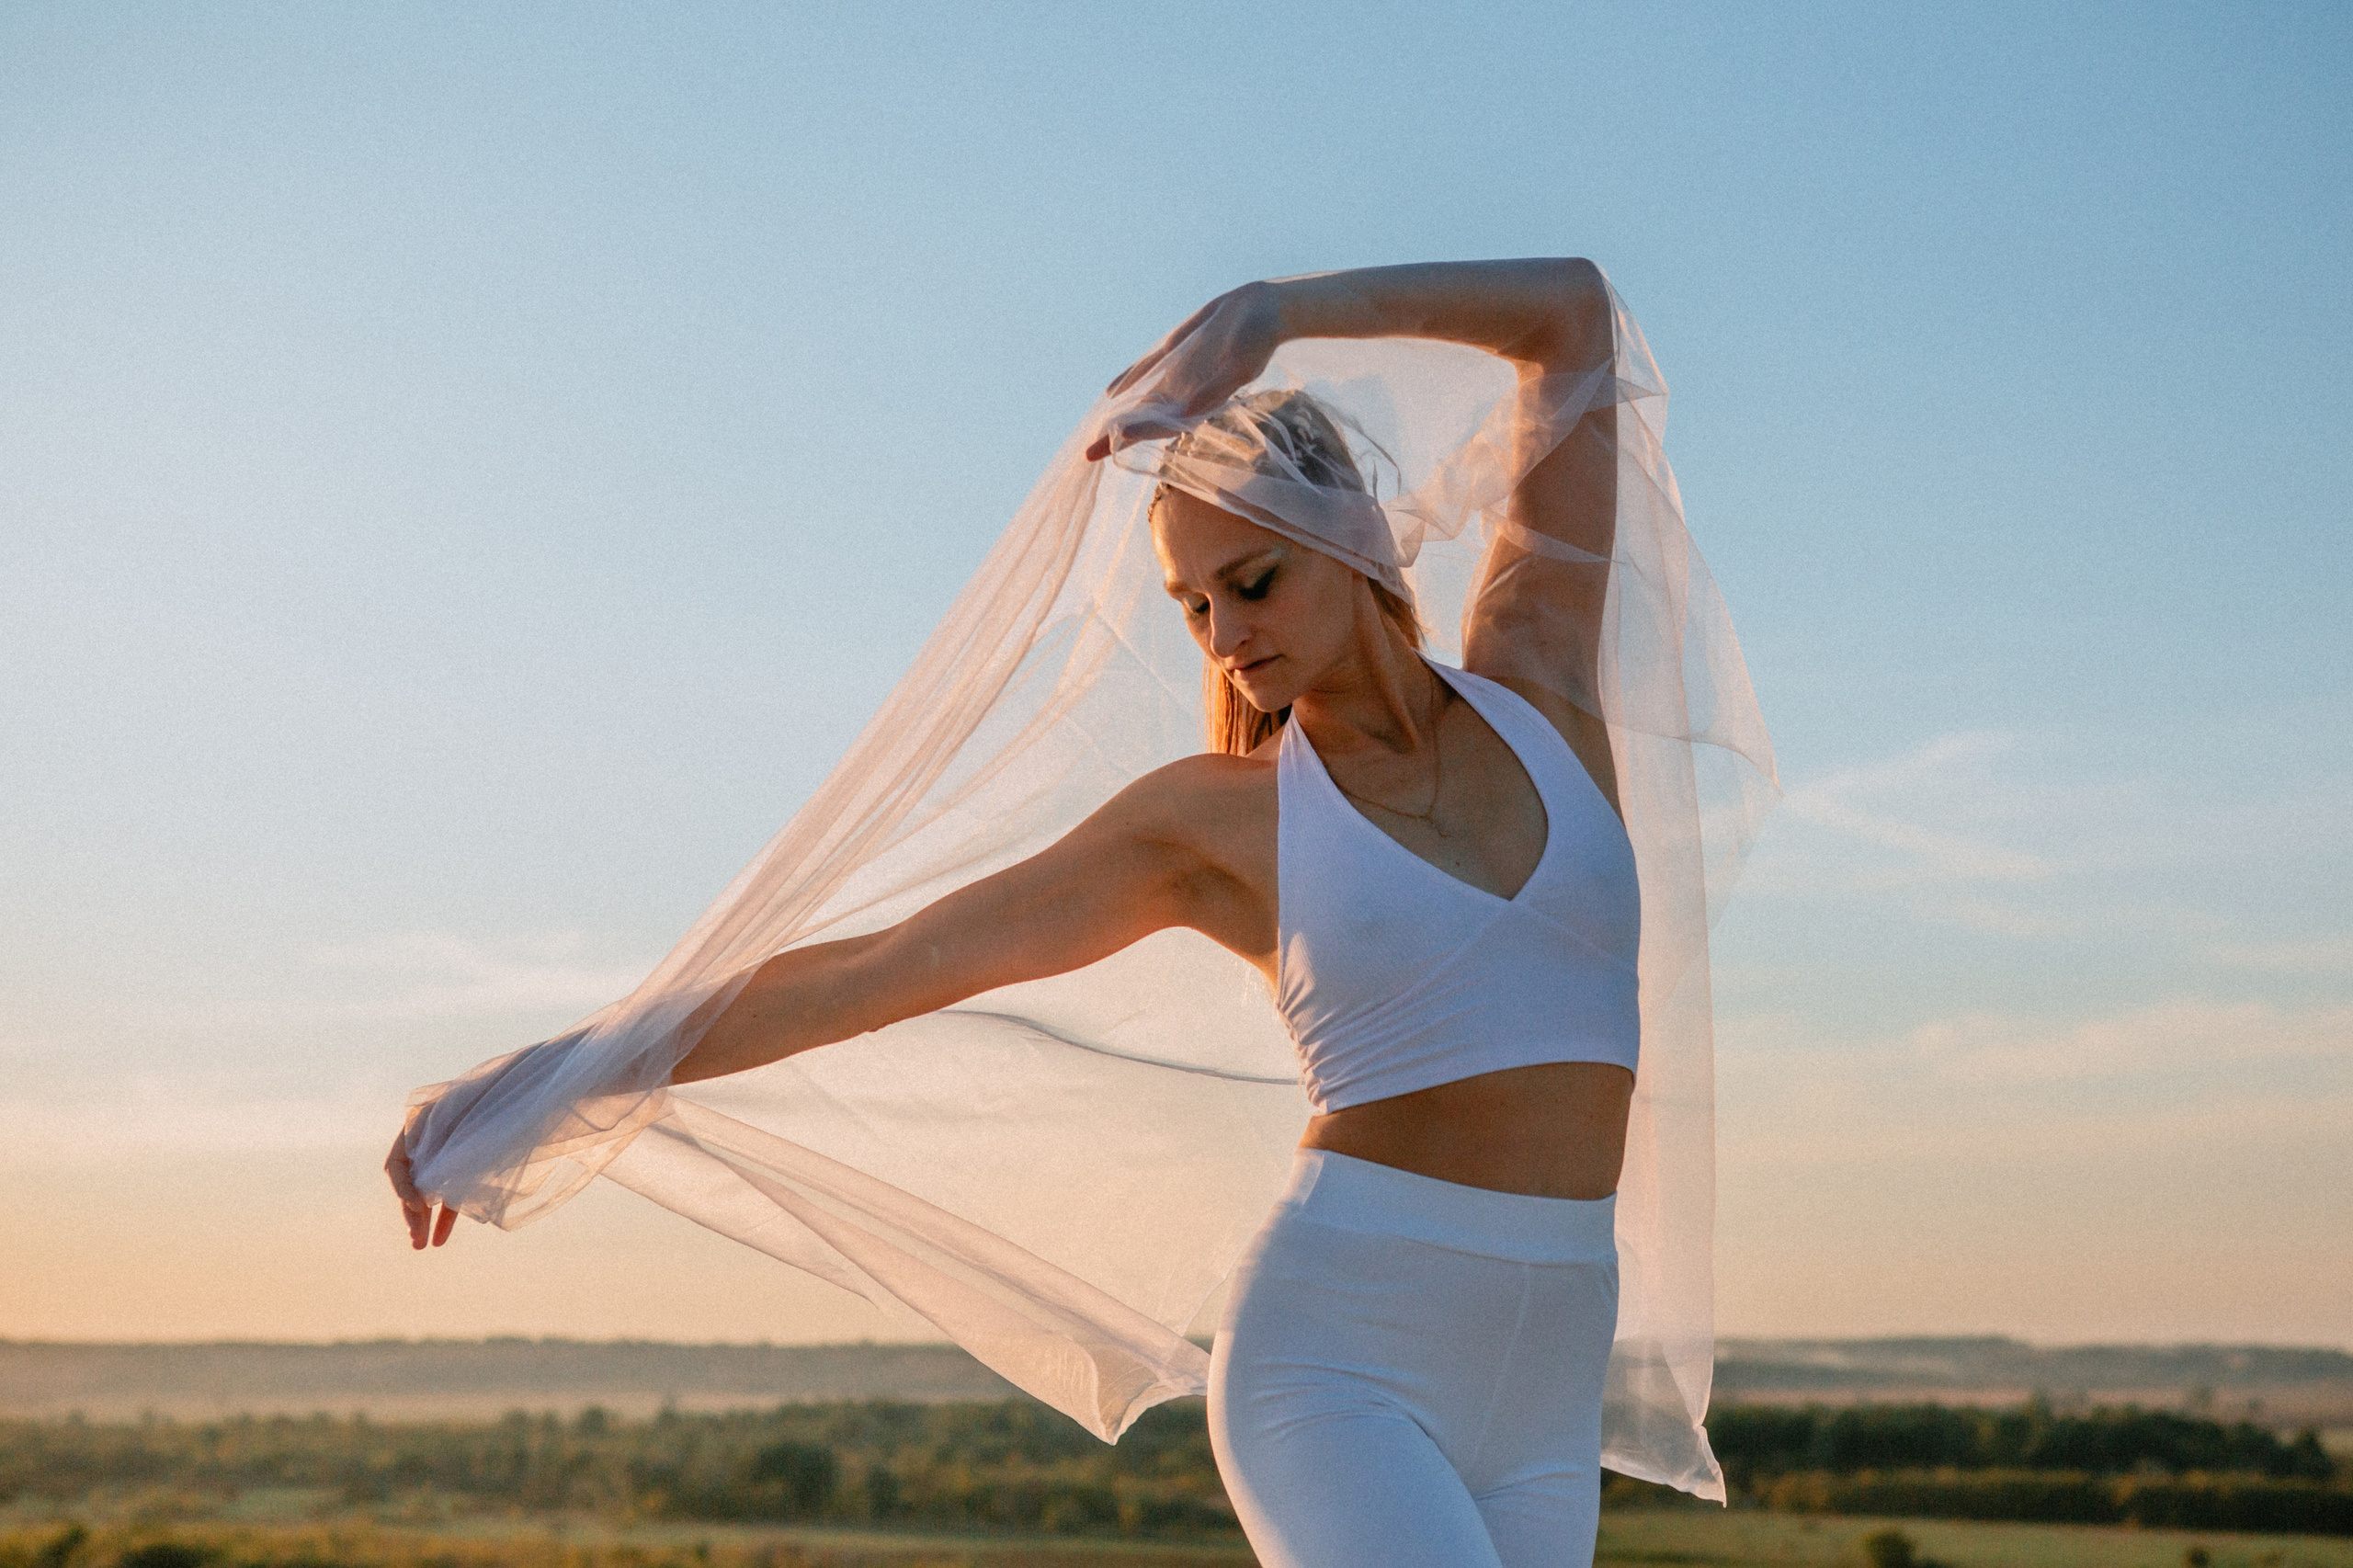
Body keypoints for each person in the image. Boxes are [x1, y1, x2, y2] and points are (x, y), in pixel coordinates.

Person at [388, 258, 1777, 1568]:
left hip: (1546, 1386)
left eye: (1253, 582)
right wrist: (557, 1073)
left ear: (1348, 533)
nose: (1228, 639)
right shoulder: (1216, 823)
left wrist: (1274, 310)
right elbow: (871, 972)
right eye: (1191, 607)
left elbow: (1575, 323)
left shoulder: (1542, 691)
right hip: (1345, 1359)